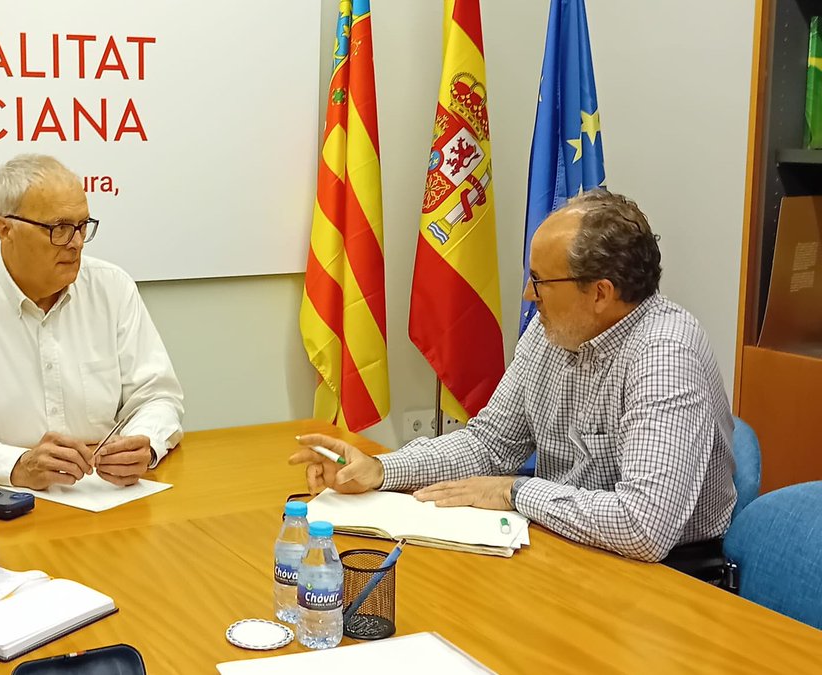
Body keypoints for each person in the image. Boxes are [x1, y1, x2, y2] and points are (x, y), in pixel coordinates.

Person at [292, 190, 736, 564]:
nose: (528, 294)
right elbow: (490, 444)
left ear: (600, 293)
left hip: (670, 575)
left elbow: (644, 526)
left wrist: (515, 492)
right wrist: (381, 470)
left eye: (541, 282)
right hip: (565, 544)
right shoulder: (554, 332)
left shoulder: (665, 355)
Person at [0, 154, 184, 489]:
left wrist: (143, 443)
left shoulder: (111, 286)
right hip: (0, 505)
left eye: (82, 226)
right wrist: (14, 464)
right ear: (5, 230)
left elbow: (158, 396)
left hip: (106, 495)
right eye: (59, 229)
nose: (75, 243)